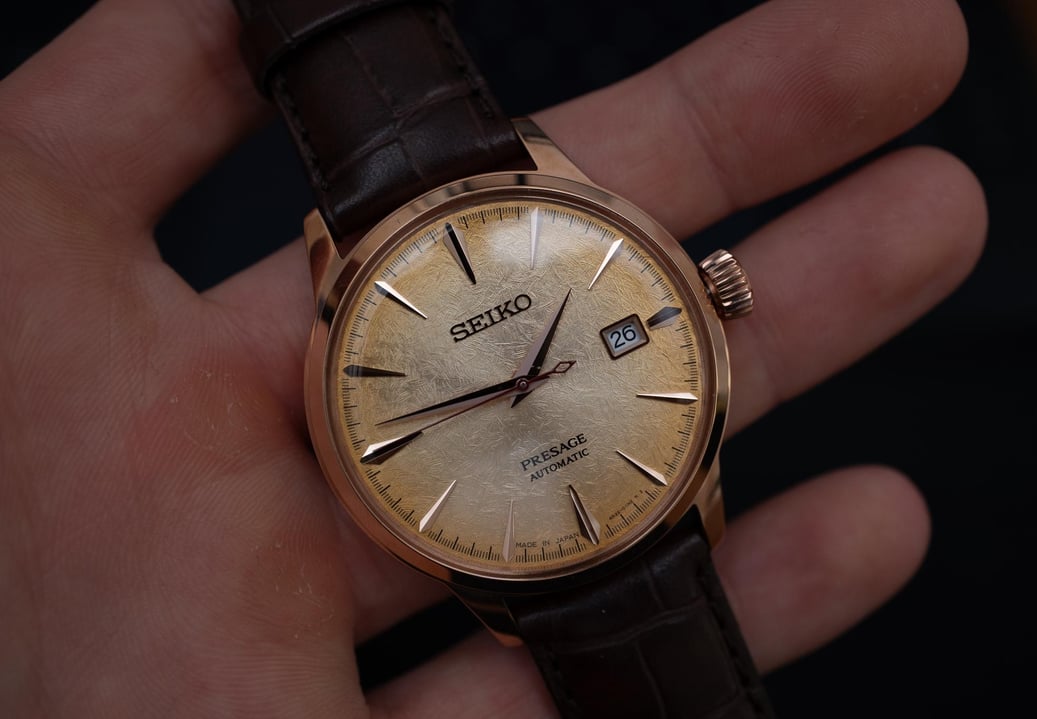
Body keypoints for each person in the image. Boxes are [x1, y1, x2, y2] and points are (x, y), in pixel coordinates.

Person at [0, 0, 986, 715]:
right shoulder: (363, 287)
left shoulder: (555, 209)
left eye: (527, 373)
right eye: (515, 380)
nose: (522, 383)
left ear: (709, 288)